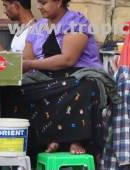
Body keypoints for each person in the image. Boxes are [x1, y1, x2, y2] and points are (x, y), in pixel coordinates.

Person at [20, 0, 104, 155]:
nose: (39, 7)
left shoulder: (76, 22)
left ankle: (74, 140)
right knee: (17, 91)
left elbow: (68, 59)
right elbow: (25, 61)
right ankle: (48, 138)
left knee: (82, 88)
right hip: (46, 79)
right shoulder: (37, 28)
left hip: (76, 75)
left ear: (59, 2)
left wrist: (31, 64)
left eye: (43, 2)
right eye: (38, 2)